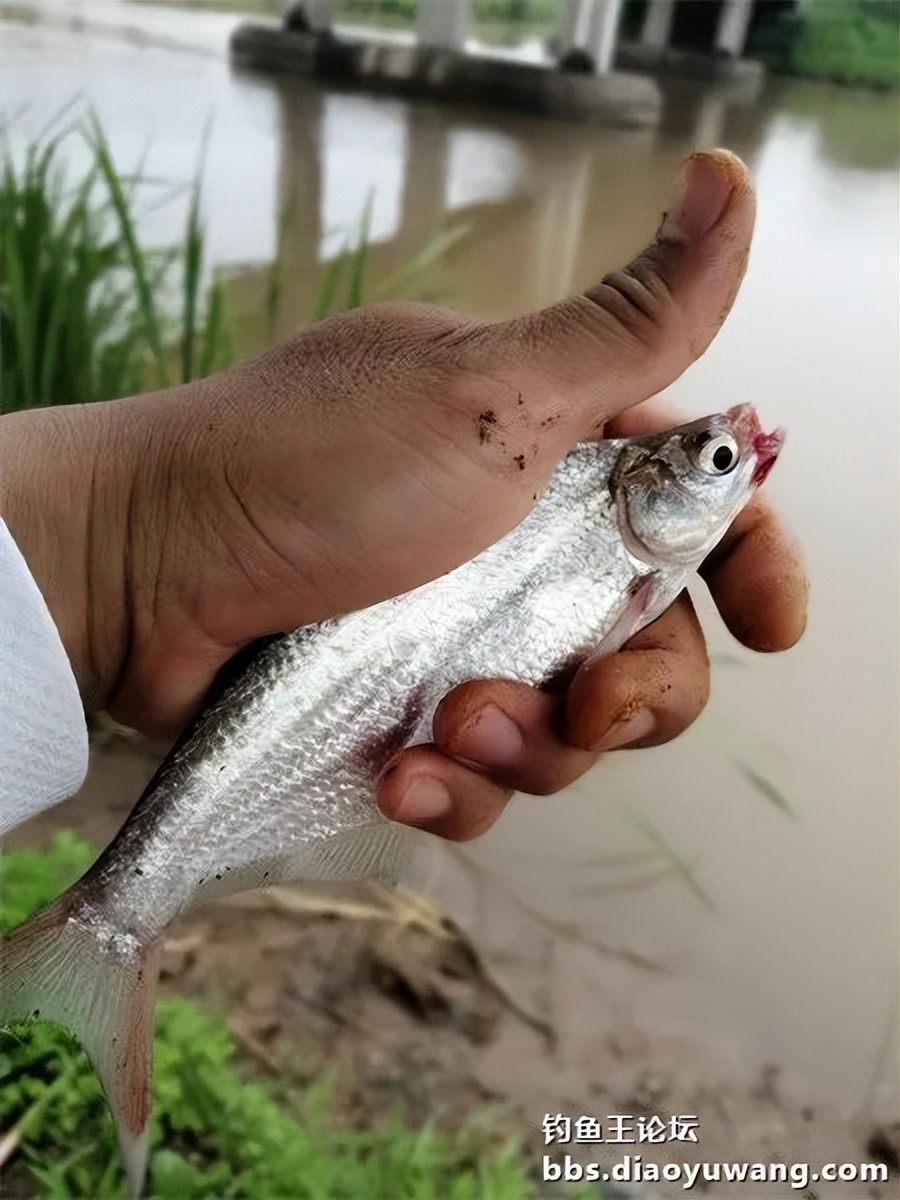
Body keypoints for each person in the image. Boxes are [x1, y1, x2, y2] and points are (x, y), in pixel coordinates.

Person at [0, 149, 807, 841]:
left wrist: (120, 551)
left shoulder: (607, 520)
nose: (735, 458)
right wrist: (121, 553)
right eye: (720, 458)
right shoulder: (597, 507)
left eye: (719, 457)